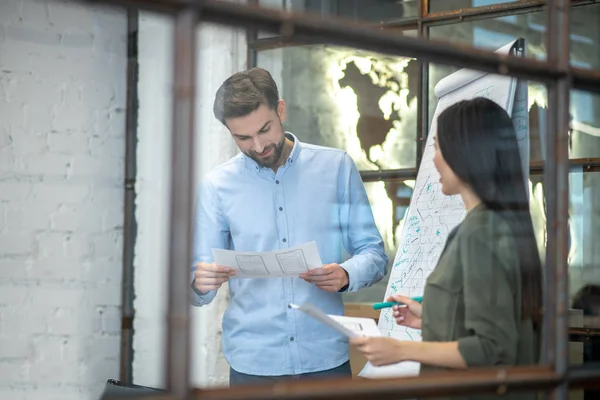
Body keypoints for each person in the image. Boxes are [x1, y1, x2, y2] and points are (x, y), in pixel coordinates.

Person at [191, 67, 388, 386]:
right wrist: (200, 281)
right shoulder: (216, 186)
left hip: (325, 359)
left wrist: (346, 274)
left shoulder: (335, 168)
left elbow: (374, 254)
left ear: (280, 110)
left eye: (264, 129)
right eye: (243, 137)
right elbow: (196, 282)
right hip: (252, 365)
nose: (257, 146)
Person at [351, 97, 543, 399]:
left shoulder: (483, 232)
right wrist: (431, 318)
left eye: (439, 147)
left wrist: (400, 349)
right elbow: (490, 321)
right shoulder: (494, 225)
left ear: (465, 152)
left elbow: (492, 349)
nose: (434, 160)